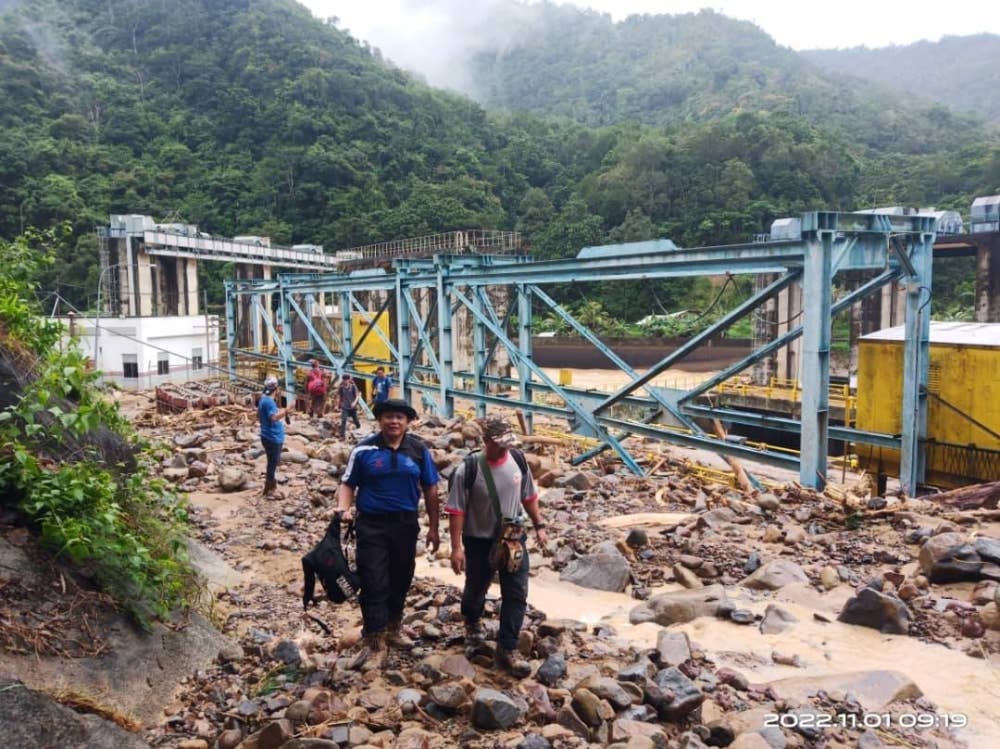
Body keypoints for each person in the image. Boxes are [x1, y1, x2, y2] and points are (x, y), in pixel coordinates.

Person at [337, 398, 440, 664]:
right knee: (373, 579)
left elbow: (431, 488)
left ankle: (393, 628)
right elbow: (348, 483)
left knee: (401, 577)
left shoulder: (418, 450)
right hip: (371, 525)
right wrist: (342, 509)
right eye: (388, 417)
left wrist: (434, 528)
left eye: (399, 417)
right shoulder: (364, 449)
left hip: (405, 524)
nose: (394, 421)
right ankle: (374, 638)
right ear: (380, 420)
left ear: (408, 422)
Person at [446, 414, 547, 677]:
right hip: (479, 541)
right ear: (486, 440)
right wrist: (456, 548)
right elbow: (456, 510)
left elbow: (529, 496)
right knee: (476, 589)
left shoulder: (518, 460)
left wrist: (539, 525)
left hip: (513, 538)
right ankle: (472, 625)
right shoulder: (468, 469)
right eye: (500, 444)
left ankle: (507, 648)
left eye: (508, 444)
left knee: (516, 592)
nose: (505, 449)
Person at [258, 375, 288, 497]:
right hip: (272, 437)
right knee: (272, 463)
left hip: (270, 435)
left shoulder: (264, 399)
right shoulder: (269, 402)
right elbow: (274, 418)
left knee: (272, 462)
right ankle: (270, 489)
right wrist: (286, 410)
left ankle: (269, 487)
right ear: (276, 389)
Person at [336, 373, 361, 439]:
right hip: (345, 406)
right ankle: (342, 435)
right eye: (344, 380)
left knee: (356, 420)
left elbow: (357, 396)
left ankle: (359, 430)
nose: (345, 381)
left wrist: (354, 403)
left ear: (349, 380)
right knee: (344, 419)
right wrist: (337, 405)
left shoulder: (353, 387)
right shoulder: (341, 388)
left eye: (347, 379)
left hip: (353, 407)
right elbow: (339, 397)